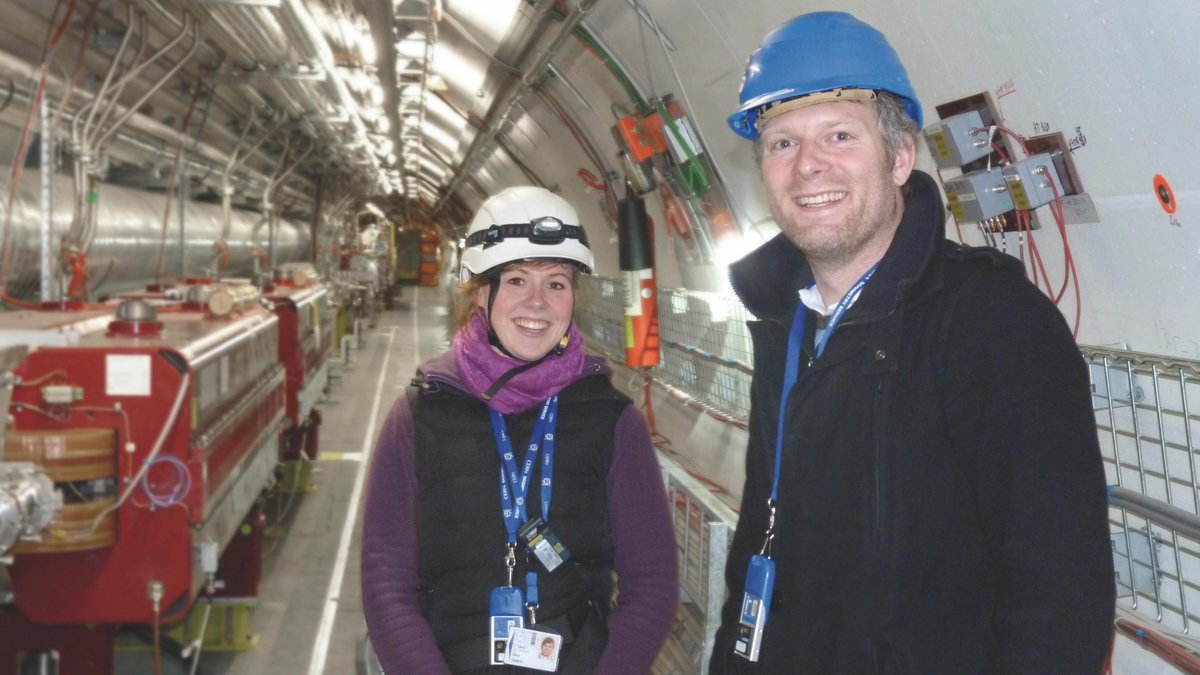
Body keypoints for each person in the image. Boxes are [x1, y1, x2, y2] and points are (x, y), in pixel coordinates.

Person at [709, 11, 1114, 673]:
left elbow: (1060, 602)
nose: (809, 164)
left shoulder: (995, 324)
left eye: (840, 135)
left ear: (900, 157)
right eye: (782, 143)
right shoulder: (784, 327)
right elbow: (757, 550)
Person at [362, 185, 678, 674]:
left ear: (574, 297)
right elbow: (386, 584)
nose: (537, 303)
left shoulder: (612, 421)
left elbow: (652, 583)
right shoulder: (419, 416)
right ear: (481, 292)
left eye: (556, 283)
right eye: (515, 280)